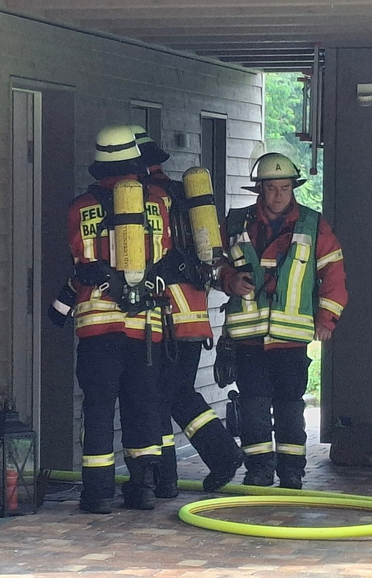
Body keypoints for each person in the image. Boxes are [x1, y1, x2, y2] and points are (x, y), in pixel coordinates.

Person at [217, 152, 348, 489]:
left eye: (285, 188)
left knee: (290, 406)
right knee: (253, 406)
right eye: (271, 188)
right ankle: (259, 470)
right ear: (260, 189)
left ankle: (291, 472)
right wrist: (229, 280)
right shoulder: (235, 223)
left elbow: (333, 272)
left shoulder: (313, 225)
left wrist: (327, 318)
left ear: (293, 188)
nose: (278, 195)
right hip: (248, 337)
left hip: (291, 339)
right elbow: (213, 265)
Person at [130, 126, 245, 497]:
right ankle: (220, 456)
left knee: (157, 398)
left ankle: (168, 479)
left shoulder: (143, 201)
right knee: (178, 394)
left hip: (163, 319)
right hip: (192, 317)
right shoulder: (184, 196)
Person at [65, 124, 172, 513]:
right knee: (142, 405)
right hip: (145, 326)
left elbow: (80, 257)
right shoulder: (158, 203)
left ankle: (97, 494)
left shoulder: (80, 207)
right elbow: (164, 253)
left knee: (98, 408)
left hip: (98, 325)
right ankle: (142, 489)